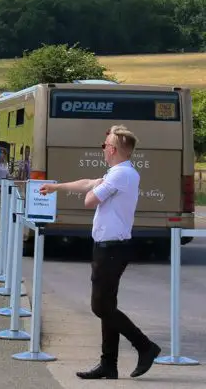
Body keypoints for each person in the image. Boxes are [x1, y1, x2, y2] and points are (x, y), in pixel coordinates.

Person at [39, 125, 160, 380]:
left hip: (113, 248)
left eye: (104, 145)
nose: (102, 149)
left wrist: (96, 188)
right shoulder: (116, 173)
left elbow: (89, 200)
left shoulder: (121, 175)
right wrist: (56, 187)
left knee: (100, 306)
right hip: (107, 246)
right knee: (107, 306)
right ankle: (109, 364)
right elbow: (87, 184)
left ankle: (145, 346)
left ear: (113, 149)